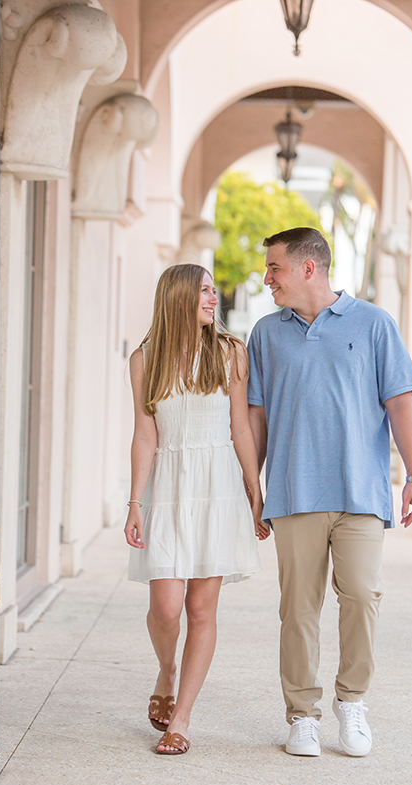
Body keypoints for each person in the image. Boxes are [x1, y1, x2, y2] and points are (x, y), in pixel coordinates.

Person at [246, 227, 412, 759]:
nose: (267, 278)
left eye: (274, 267)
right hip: (294, 490)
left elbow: (401, 404)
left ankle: (353, 703)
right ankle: (302, 715)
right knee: (298, 607)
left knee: (363, 597)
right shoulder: (265, 333)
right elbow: (256, 416)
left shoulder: (373, 324)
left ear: (308, 268)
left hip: (362, 491)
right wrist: (250, 487)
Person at [124, 263, 270, 756]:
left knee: (201, 608)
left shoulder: (230, 353)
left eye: (213, 291)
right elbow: (146, 433)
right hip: (168, 485)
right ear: (180, 298)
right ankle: (166, 670)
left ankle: (181, 718)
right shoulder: (145, 359)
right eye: (205, 291)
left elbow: (241, 428)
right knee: (165, 608)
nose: (214, 299)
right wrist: (135, 501)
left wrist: (254, 491)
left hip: (218, 486)